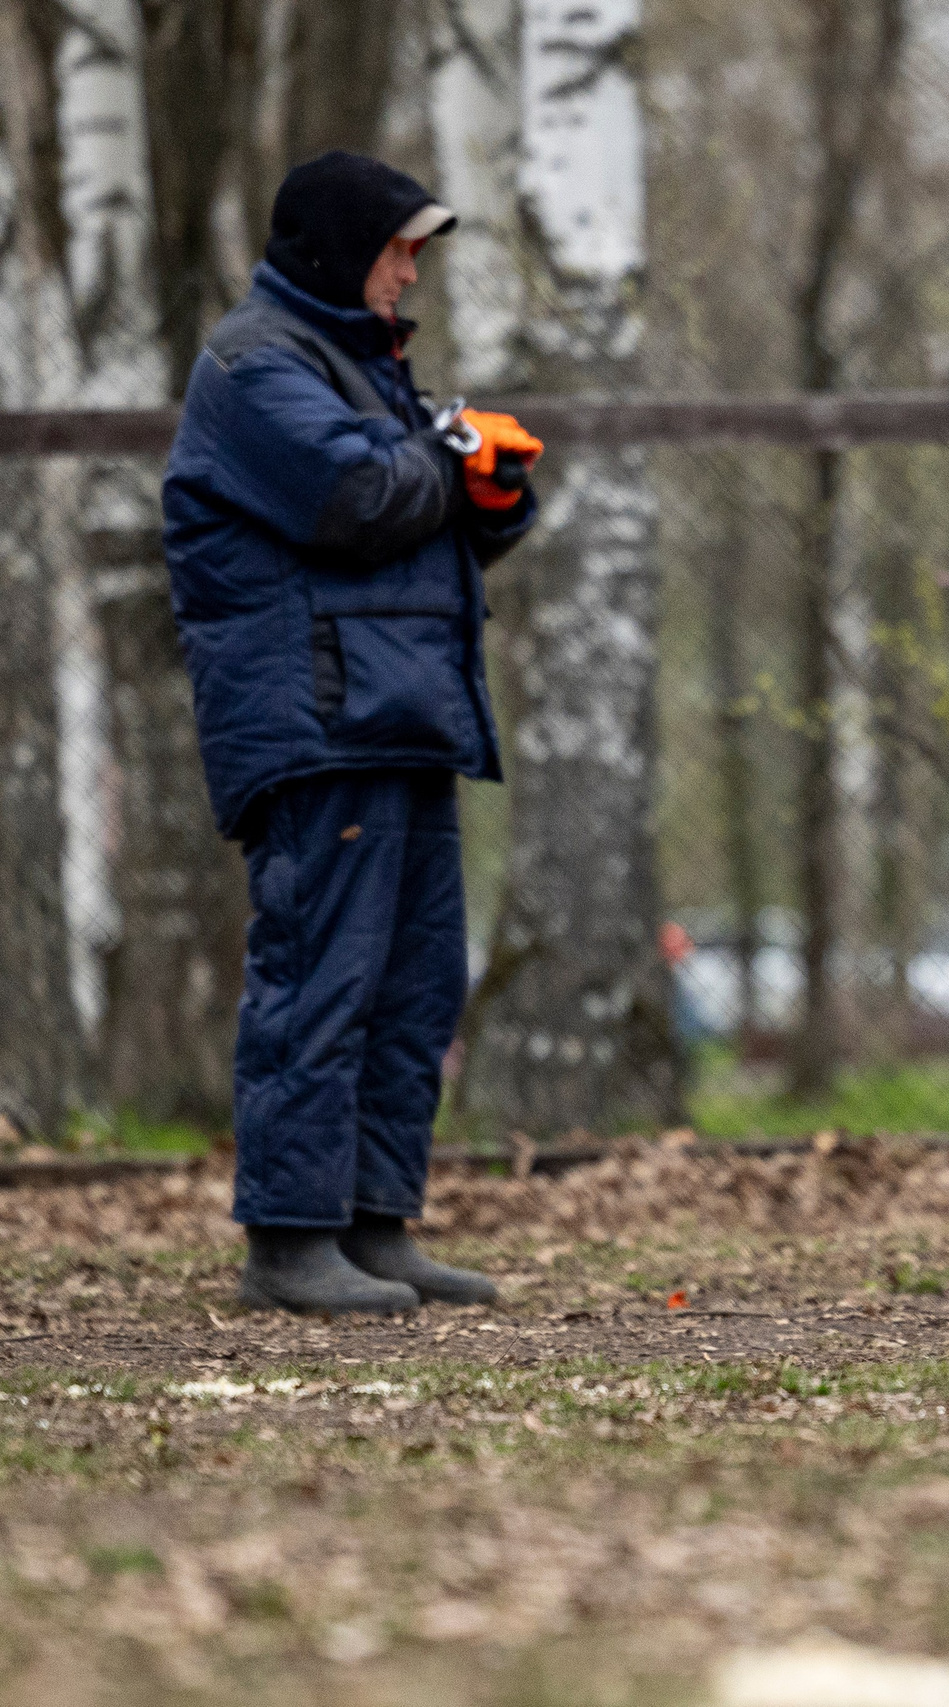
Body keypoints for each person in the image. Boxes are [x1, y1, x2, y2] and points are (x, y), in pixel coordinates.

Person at [163, 151, 549, 1312]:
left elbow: (423, 519)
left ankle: (376, 1225)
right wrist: (445, 455)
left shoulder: (359, 367)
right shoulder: (255, 365)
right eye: (396, 247)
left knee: (414, 985)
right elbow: (354, 501)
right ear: (337, 248)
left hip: (398, 713)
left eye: (417, 249)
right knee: (318, 981)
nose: (408, 269)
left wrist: (490, 490)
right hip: (316, 720)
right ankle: (288, 1242)